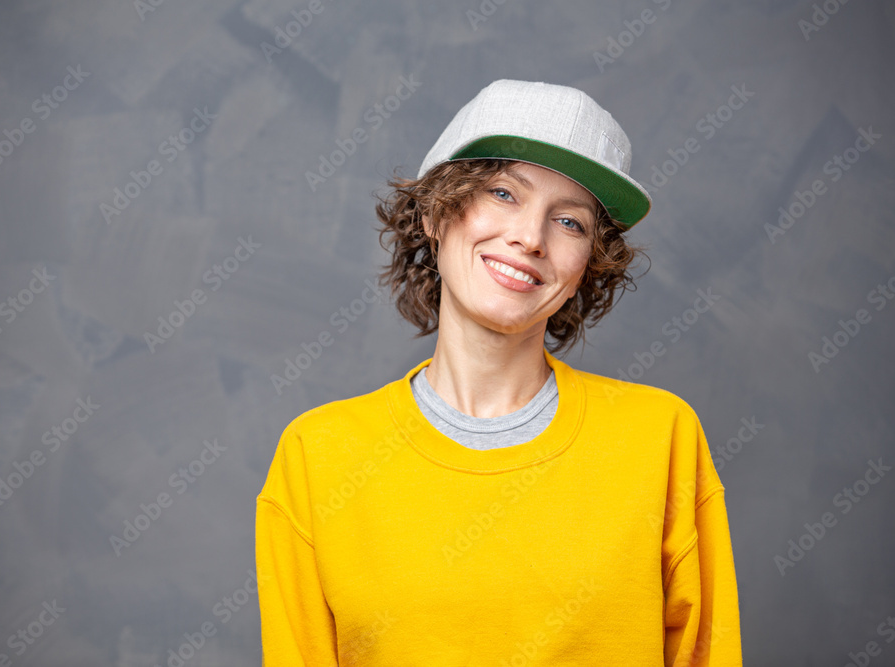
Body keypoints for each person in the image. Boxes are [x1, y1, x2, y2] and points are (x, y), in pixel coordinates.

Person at [256, 78, 743, 665]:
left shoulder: (661, 436)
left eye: (570, 223)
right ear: (438, 214)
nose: (528, 238)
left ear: (589, 263)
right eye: (504, 194)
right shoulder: (318, 456)